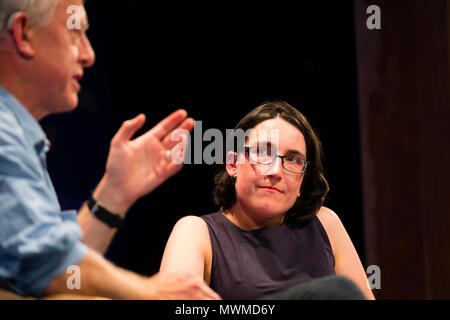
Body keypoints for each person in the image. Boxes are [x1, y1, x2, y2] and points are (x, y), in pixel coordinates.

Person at [0, 0, 220, 300]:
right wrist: (151, 291)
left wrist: (114, 193)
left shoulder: (18, 135)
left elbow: (62, 275)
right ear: (23, 33)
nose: (89, 55)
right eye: (75, 32)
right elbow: (48, 267)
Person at [160, 100, 375, 300]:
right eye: (262, 153)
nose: (276, 171)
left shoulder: (326, 224)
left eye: (292, 159)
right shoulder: (197, 232)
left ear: (303, 179)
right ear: (233, 164)